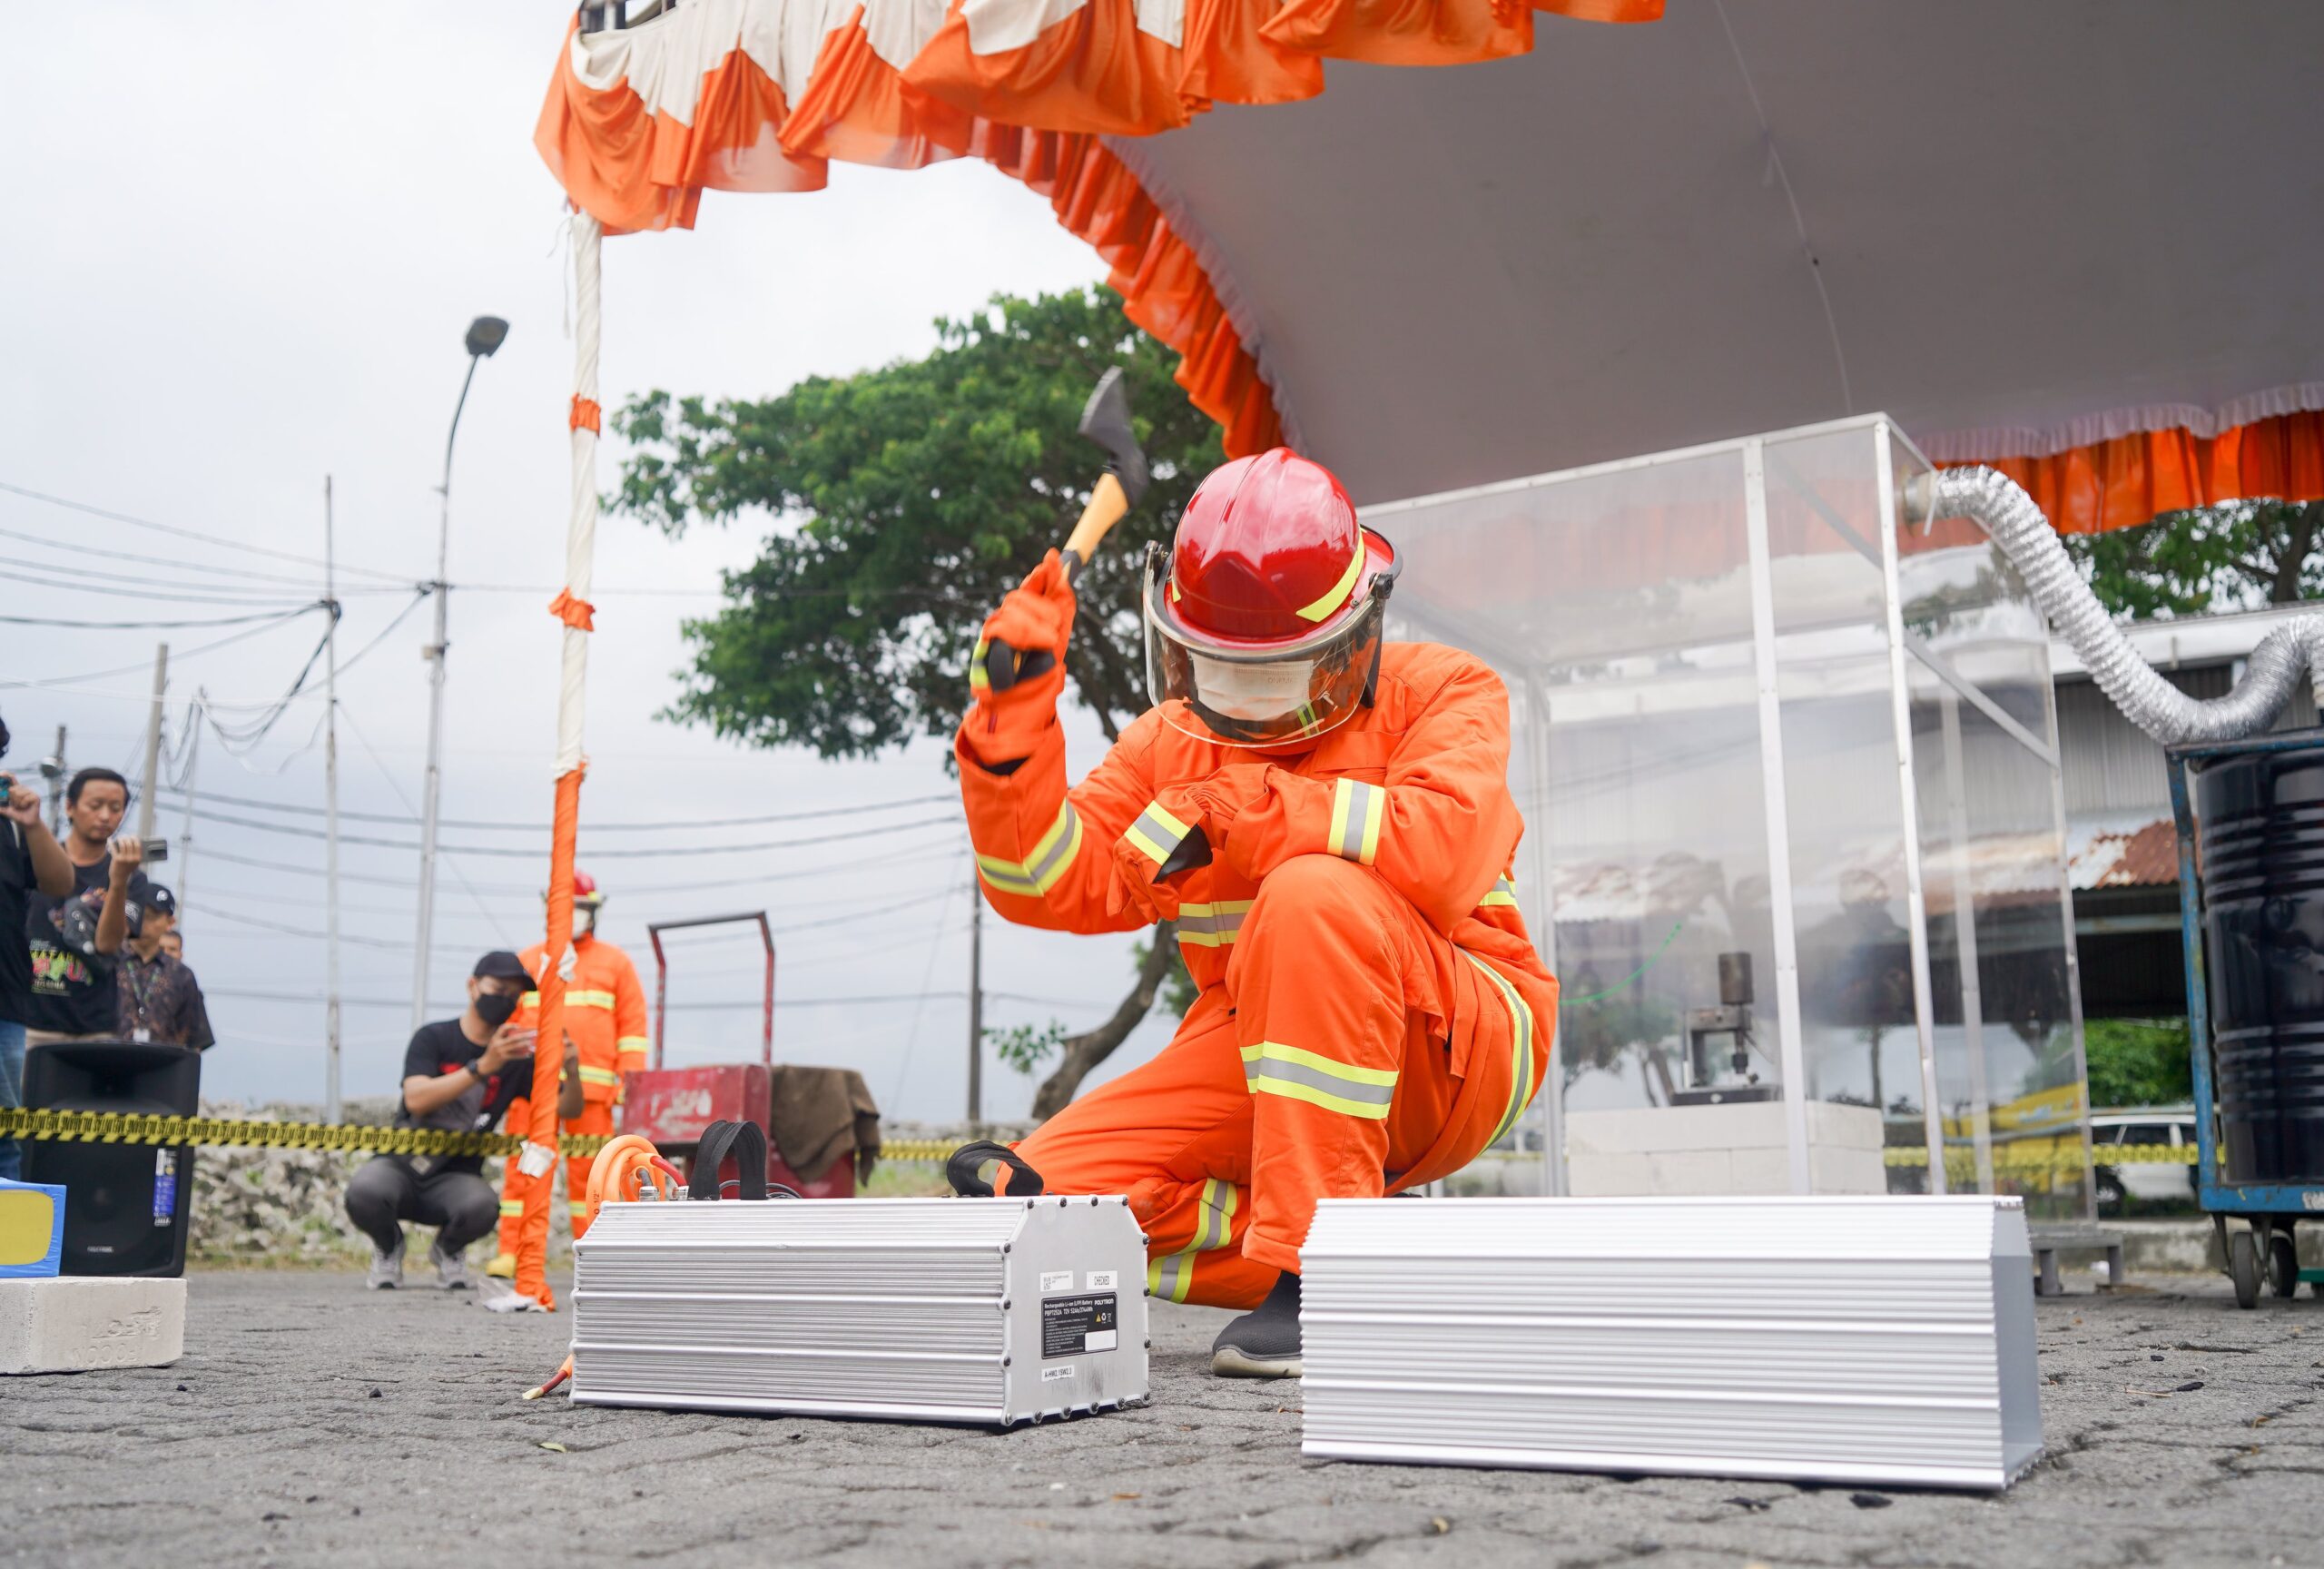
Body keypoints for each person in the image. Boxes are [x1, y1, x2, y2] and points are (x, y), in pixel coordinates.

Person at [952, 449, 1558, 1378]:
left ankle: (1321, 1268)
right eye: (1220, 670)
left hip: (1455, 1044)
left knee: (1313, 892)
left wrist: (1247, 813)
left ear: (1357, 636)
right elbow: (1041, 880)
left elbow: (1443, 854)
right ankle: (1376, 1250)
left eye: (1276, 674)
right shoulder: (1168, 744)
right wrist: (1011, 726)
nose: (1247, 708)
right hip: (1266, 1053)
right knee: (1045, 1202)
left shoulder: (1445, 690)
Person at [344, 952, 581, 1291]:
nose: (506, 1000)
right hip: (401, 1166)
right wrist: (483, 1067)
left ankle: (448, 1249)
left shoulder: (515, 1059)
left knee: (483, 1206)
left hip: (457, 1177)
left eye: (514, 995)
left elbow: (568, 1110)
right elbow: (416, 1098)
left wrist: (571, 1069)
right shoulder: (434, 1038)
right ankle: (388, 1246)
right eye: (499, 989)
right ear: (473, 986)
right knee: (365, 1191)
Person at [488, 869, 650, 1282]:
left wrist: (628, 1087)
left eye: (581, 907)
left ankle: (595, 1253)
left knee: (593, 1177)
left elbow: (632, 1030)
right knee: (522, 1171)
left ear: (594, 911)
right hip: (530, 1091)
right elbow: (507, 1025)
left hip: (593, 1093)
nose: (574, 915)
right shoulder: (528, 962)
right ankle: (513, 1252)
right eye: (566, 907)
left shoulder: (616, 963)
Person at [0, 715, 75, 1181]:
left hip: (4, 1005)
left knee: (5, 1139)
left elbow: (60, 882)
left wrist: (33, 825)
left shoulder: (10, 825)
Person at [24, 768, 143, 1046]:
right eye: (95, 805)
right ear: (70, 807)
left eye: (116, 808)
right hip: (31, 1022)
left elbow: (108, 944)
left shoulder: (132, 878)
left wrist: (119, 881)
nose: (105, 816)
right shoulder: (36, 863)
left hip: (95, 1028)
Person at [113, 882, 213, 1051]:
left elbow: (195, 1039)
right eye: (138, 914)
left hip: (162, 1063)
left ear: (169, 922)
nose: (143, 923)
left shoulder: (181, 975)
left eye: (151, 917)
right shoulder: (110, 963)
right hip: (108, 1059)